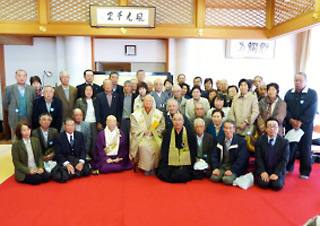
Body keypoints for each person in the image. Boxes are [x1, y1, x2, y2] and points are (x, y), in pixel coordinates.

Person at [284, 72, 318, 179]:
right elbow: (286, 109)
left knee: (305, 148)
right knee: (290, 147)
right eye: (296, 80)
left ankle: (305, 171)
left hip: (305, 127)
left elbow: (312, 111)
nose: (297, 83)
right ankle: (288, 167)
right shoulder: (289, 93)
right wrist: (292, 120)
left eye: (300, 80)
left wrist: (300, 122)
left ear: (305, 81)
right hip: (290, 125)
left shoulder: (312, 94)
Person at [130, 95, 165, 175]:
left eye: (150, 101)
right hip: (142, 136)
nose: (148, 102)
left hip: (154, 136)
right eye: (146, 101)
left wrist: (154, 132)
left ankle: (154, 167)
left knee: (157, 146)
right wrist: (143, 132)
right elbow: (134, 127)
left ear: (153, 102)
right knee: (143, 146)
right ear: (143, 102)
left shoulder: (158, 114)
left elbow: (162, 126)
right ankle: (145, 167)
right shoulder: (137, 114)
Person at [157, 113, 197, 183]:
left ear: (183, 121)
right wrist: (168, 160)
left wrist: (189, 161)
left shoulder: (190, 133)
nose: (177, 122)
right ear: (172, 121)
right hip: (170, 162)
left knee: (184, 173)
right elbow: (164, 149)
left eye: (179, 120)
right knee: (165, 172)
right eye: (175, 120)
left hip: (185, 163)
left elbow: (193, 150)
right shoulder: (168, 133)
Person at [210, 120, 249, 185]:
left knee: (226, 180)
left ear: (234, 129)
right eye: (226, 128)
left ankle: (228, 175)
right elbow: (214, 155)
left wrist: (232, 170)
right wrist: (215, 168)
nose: (228, 130)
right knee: (214, 178)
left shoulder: (241, 142)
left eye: (230, 128)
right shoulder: (218, 140)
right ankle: (223, 173)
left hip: (234, 168)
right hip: (222, 166)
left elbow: (241, 159)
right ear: (223, 129)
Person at [255, 118, 289, 191]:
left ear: (278, 128)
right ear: (266, 129)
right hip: (264, 169)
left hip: (277, 169)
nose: (272, 129)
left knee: (277, 185)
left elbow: (284, 160)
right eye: (269, 126)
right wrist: (262, 172)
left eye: (274, 126)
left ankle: (276, 177)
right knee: (263, 184)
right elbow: (258, 158)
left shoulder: (284, 142)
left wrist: (277, 173)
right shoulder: (260, 140)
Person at [52, 118, 91, 183]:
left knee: (87, 171)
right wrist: (68, 165)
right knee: (60, 176)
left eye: (72, 125)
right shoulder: (58, 137)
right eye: (68, 125)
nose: (70, 127)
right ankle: (74, 171)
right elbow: (58, 154)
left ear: (75, 126)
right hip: (66, 159)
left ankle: (73, 171)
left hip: (77, 159)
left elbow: (83, 150)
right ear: (64, 126)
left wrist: (81, 162)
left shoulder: (80, 135)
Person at [3, 69, 36, 141]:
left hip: (28, 117)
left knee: (28, 138)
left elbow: (34, 102)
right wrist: (12, 110)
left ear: (26, 78)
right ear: (15, 77)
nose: (22, 78)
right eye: (19, 76)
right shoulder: (9, 89)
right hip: (14, 117)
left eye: (24, 76)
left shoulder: (32, 89)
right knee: (15, 138)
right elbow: (5, 103)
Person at [75, 84, 97, 157]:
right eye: (87, 90)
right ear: (83, 91)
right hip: (83, 123)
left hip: (94, 123)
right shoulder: (79, 101)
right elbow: (76, 112)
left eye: (90, 90)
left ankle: (92, 157)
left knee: (93, 141)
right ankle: (83, 155)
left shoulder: (96, 100)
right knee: (84, 139)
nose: (89, 92)